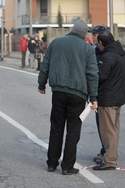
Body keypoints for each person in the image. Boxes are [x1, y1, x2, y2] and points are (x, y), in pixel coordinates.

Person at [38, 20, 98, 175]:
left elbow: (46, 64)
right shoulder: (88, 49)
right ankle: (67, 166)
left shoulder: (56, 42)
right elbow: (92, 74)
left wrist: (42, 84)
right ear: (85, 34)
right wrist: (94, 97)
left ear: (72, 29)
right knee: (73, 130)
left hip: (58, 92)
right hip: (78, 94)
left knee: (56, 127)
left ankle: (52, 163)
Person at [93, 31, 125, 170]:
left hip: (107, 98)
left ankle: (109, 160)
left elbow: (101, 76)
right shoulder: (120, 54)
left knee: (107, 130)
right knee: (114, 129)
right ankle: (112, 156)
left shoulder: (107, 56)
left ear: (101, 43)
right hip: (118, 97)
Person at [88, 25, 107, 164]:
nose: (93, 37)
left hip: (105, 94)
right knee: (100, 124)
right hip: (95, 94)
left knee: (106, 125)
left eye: (95, 35)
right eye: (92, 35)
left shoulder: (108, 53)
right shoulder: (93, 51)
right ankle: (104, 149)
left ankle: (107, 151)